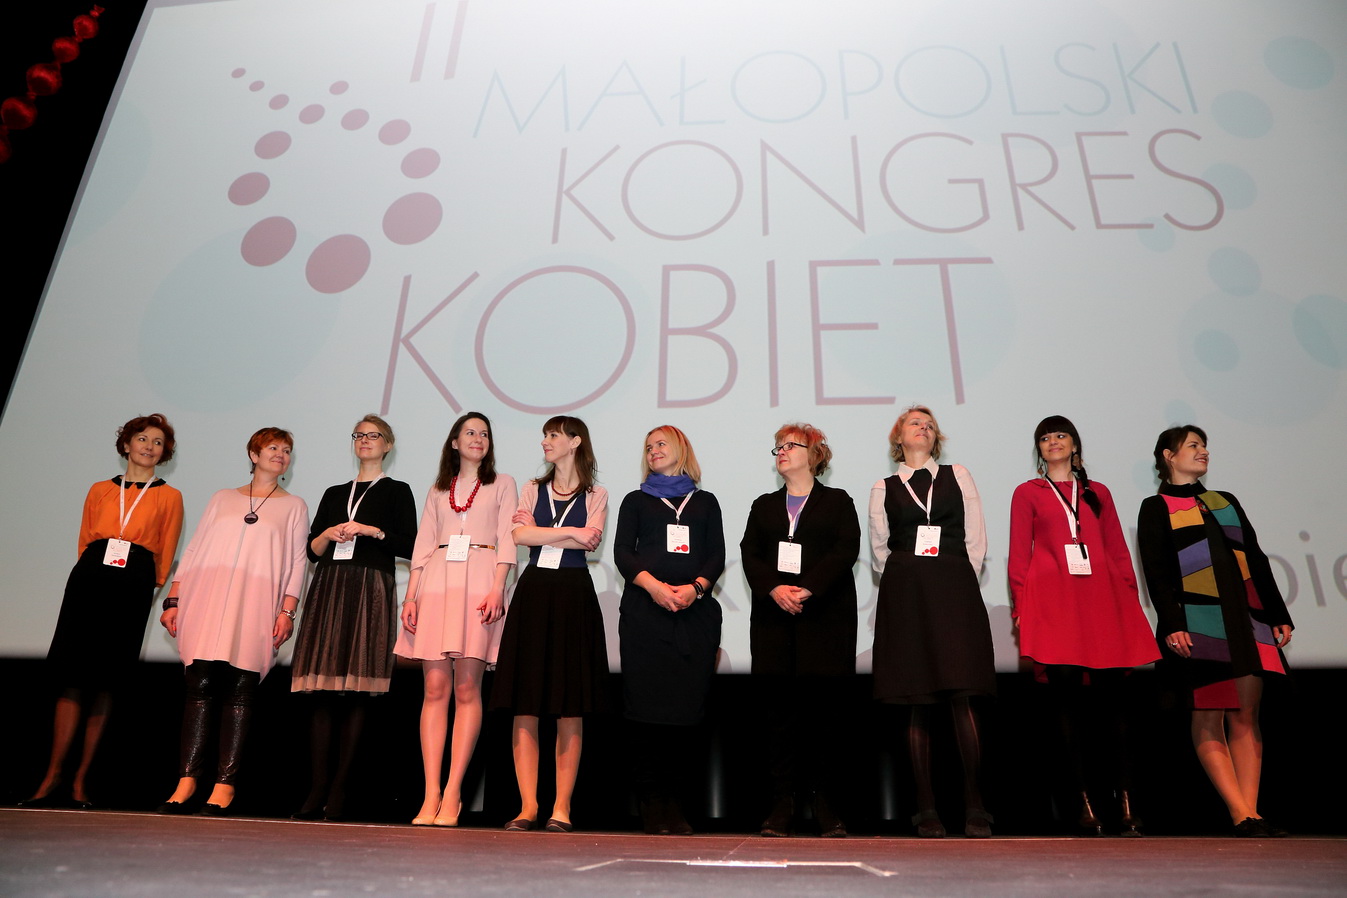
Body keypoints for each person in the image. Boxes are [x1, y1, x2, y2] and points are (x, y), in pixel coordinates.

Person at [1137, 425, 1293, 838]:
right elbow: (1156, 572)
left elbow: (1256, 559)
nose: (1203, 451)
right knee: (1209, 713)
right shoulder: (1156, 507)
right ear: (1169, 456)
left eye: (1204, 445)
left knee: (1246, 714)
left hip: (1246, 619)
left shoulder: (1225, 502)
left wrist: (1277, 614)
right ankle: (1239, 812)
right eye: (1193, 445)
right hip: (1197, 623)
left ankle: (1253, 812)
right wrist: (1173, 623)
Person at [21, 415, 184, 809]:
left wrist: (150, 583)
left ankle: (81, 781)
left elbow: (166, 549)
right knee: (71, 676)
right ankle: (51, 776)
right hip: (90, 577)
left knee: (107, 680)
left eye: (157, 442)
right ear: (126, 445)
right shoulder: (99, 489)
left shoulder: (170, 496)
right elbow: (84, 540)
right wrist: (91, 570)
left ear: (164, 453)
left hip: (134, 581)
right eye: (141, 438)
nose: (149, 446)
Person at [1008, 415, 1159, 836]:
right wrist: (1021, 605)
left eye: (1060, 435)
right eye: (1045, 437)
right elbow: (1019, 554)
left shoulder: (1098, 492)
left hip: (1102, 602)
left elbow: (1117, 548)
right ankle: (1084, 804)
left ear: (1074, 444)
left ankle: (1125, 803)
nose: (1053, 442)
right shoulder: (1028, 492)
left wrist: (1129, 599)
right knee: (1066, 706)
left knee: (1115, 707)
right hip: (1053, 604)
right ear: (1039, 449)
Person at [157, 427, 309, 815]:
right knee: (200, 683)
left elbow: (297, 563)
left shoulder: (294, 506)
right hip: (206, 599)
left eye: (286, 450)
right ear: (254, 455)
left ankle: (225, 784)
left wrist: (287, 611)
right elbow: (194, 549)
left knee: (241, 687)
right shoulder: (222, 498)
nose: (280, 454)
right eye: (272, 447)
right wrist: (174, 599)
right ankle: (187, 780)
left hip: (255, 603)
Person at [869, 405, 995, 838]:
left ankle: (975, 805)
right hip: (907, 594)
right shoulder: (883, 487)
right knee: (915, 698)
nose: (923, 427)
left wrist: (955, 576)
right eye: (914, 423)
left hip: (954, 588)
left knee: (963, 695)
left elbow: (975, 538)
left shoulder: (958, 475)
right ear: (898, 437)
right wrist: (911, 575)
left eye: (929, 424)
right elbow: (880, 552)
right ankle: (926, 809)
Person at [290, 415, 417, 821]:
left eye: (373, 435)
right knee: (323, 689)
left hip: (370, 587)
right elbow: (311, 551)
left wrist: (372, 531)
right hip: (330, 585)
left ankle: (341, 788)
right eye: (359, 435)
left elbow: (411, 545)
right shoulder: (334, 492)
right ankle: (317, 787)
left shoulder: (397, 490)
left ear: (388, 445)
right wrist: (328, 535)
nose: (365, 441)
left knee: (359, 688)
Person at [396, 412, 517, 826]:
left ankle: (453, 793)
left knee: (467, 688)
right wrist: (410, 597)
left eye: (484, 433)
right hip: (437, 584)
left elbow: (508, 540)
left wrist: (498, 587)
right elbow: (423, 547)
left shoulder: (503, 484)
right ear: (454, 442)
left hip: (480, 584)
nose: (477, 438)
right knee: (434, 689)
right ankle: (430, 793)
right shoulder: (437, 490)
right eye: (469, 432)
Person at [490, 416, 608, 833]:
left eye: (553, 435)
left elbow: (592, 538)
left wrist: (545, 532)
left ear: (575, 442)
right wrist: (569, 532)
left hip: (573, 594)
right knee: (525, 701)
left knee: (569, 704)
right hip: (535, 591)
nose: (545, 441)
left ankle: (561, 807)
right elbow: (519, 536)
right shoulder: (532, 489)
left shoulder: (596, 493)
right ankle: (528, 806)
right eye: (544, 435)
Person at [741, 422, 859, 838]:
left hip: (824, 621)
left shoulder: (837, 501)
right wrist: (775, 588)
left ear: (815, 454)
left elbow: (846, 549)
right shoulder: (764, 506)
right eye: (778, 447)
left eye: (791, 445)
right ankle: (782, 804)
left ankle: (824, 803)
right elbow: (750, 553)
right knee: (780, 720)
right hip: (775, 623)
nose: (782, 452)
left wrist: (808, 588)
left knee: (824, 719)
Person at [614, 425, 724, 835]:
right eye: (648, 447)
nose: (653, 450)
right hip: (646, 616)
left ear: (681, 449)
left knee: (686, 712)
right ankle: (651, 800)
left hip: (694, 619)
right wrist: (655, 588)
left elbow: (716, 554)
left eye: (661, 444)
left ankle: (675, 802)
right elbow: (622, 552)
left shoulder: (705, 502)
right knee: (645, 713)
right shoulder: (636, 500)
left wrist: (696, 589)